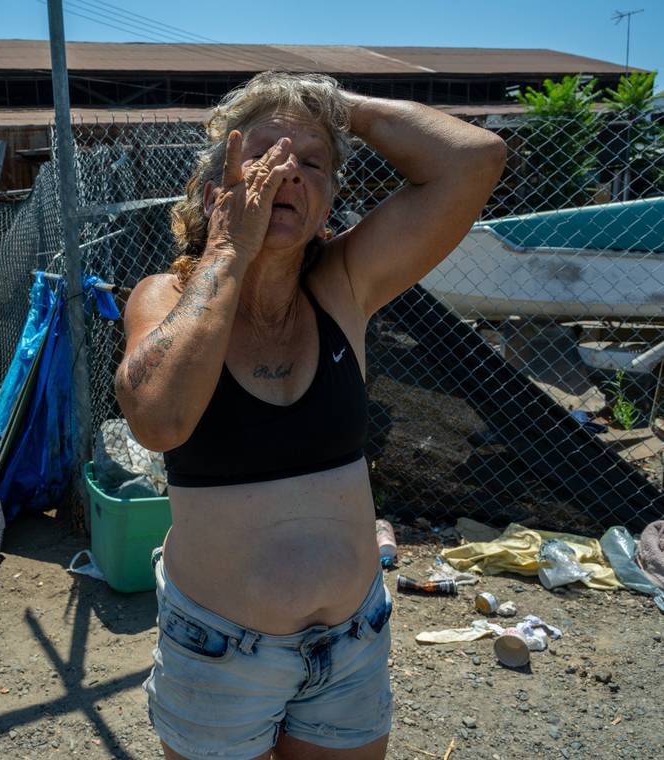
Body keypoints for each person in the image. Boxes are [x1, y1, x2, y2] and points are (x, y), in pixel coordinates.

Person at [114, 73, 505, 760]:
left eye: (311, 164)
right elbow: (157, 421)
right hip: (220, 655)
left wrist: (335, 106)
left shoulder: (344, 283)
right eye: (265, 157)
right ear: (214, 191)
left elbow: (473, 159)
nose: (287, 172)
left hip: (352, 645)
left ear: (328, 205)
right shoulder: (165, 295)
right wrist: (230, 248)